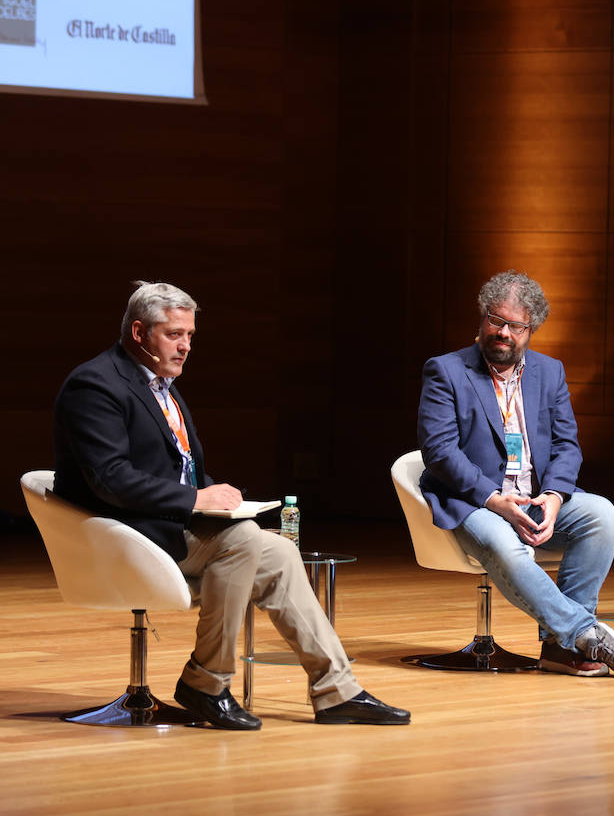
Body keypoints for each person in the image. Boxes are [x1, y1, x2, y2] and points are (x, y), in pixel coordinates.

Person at [53, 281, 409, 727]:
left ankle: (337, 690)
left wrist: (217, 494)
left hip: (168, 525)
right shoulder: (95, 384)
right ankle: (206, 682)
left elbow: (176, 465)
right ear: (139, 332)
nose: (184, 347)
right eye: (173, 334)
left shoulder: (161, 384)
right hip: (127, 537)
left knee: (276, 549)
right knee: (242, 539)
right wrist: (197, 497)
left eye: (190, 336)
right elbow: (110, 478)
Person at [417, 270, 614, 678]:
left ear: (531, 329)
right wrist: (494, 500)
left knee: (603, 515)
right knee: (505, 545)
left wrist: (556, 497)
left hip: (534, 499)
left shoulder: (549, 371)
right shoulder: (446, 371)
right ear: (482, 318)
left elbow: (566, 446)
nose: (503, 332)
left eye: (515, 326)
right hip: (475, 501)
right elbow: (439, 452)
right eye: (495, 320)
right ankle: (584, 636)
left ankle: (560, 650)